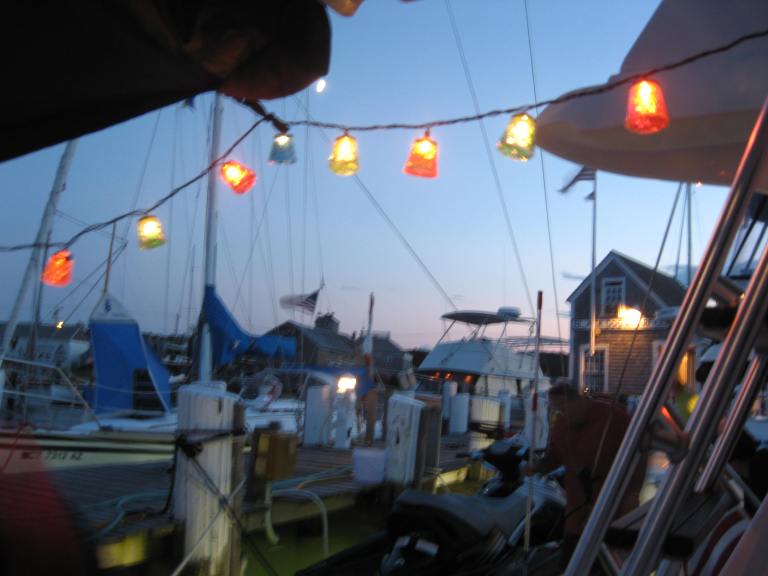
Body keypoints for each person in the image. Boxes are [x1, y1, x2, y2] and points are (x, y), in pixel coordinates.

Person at [528, 381, 646, 564]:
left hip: (613, 512)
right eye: (558, 409)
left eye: (564, 407)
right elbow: (555, 456)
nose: (562, 413)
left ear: (576, 399)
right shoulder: (562, 425)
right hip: (577, 516)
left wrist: (632, 494)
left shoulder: (614, 418)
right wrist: (535, 468)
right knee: (572, 563)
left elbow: (639, 454)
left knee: (611, 564)